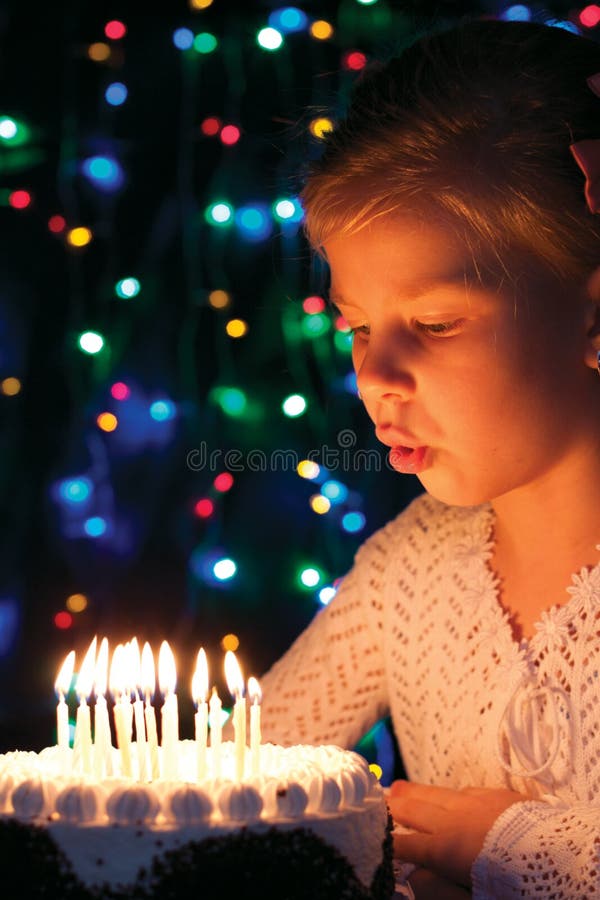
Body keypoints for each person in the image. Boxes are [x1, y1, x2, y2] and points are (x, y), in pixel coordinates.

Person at [258, 18, 600, 899]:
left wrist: (517, 845)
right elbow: (240, 771)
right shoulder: (410, 570)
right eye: (358, 327)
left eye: (436, 324)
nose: (373, 375)